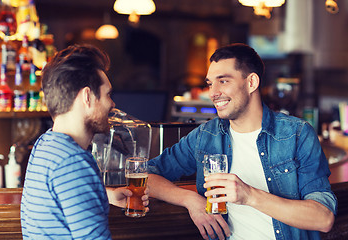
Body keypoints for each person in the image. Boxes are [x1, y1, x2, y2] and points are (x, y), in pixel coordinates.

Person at [147, 43, 336, 240]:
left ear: (252, 82)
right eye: (210, 83)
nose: (213, 92)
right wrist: (190, 199)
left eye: (223, 81)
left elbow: (323, 218)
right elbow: (146, 175)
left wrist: (249, 196)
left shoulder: (296, 134)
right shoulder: (205, 136)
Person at [20, 44, 149, 239]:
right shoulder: (73, 162)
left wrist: (106, 195)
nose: (112, 104)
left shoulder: (45, 144)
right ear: (87, 97)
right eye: (107, 95)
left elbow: (63, 192)